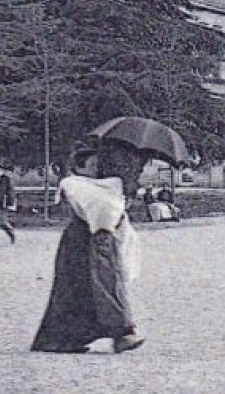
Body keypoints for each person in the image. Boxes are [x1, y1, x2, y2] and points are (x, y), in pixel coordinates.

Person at [31, 141, 147, 355]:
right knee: (78, 288)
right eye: (90, 165)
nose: (94, 169)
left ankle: (99, 335)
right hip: (80, 241)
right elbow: (99, 209)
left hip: (96, 239)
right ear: (80, 167)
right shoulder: (74, 184)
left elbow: (110, 210)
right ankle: (111, 334)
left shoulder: (102, 186)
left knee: (98, 285)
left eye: (96, 164)